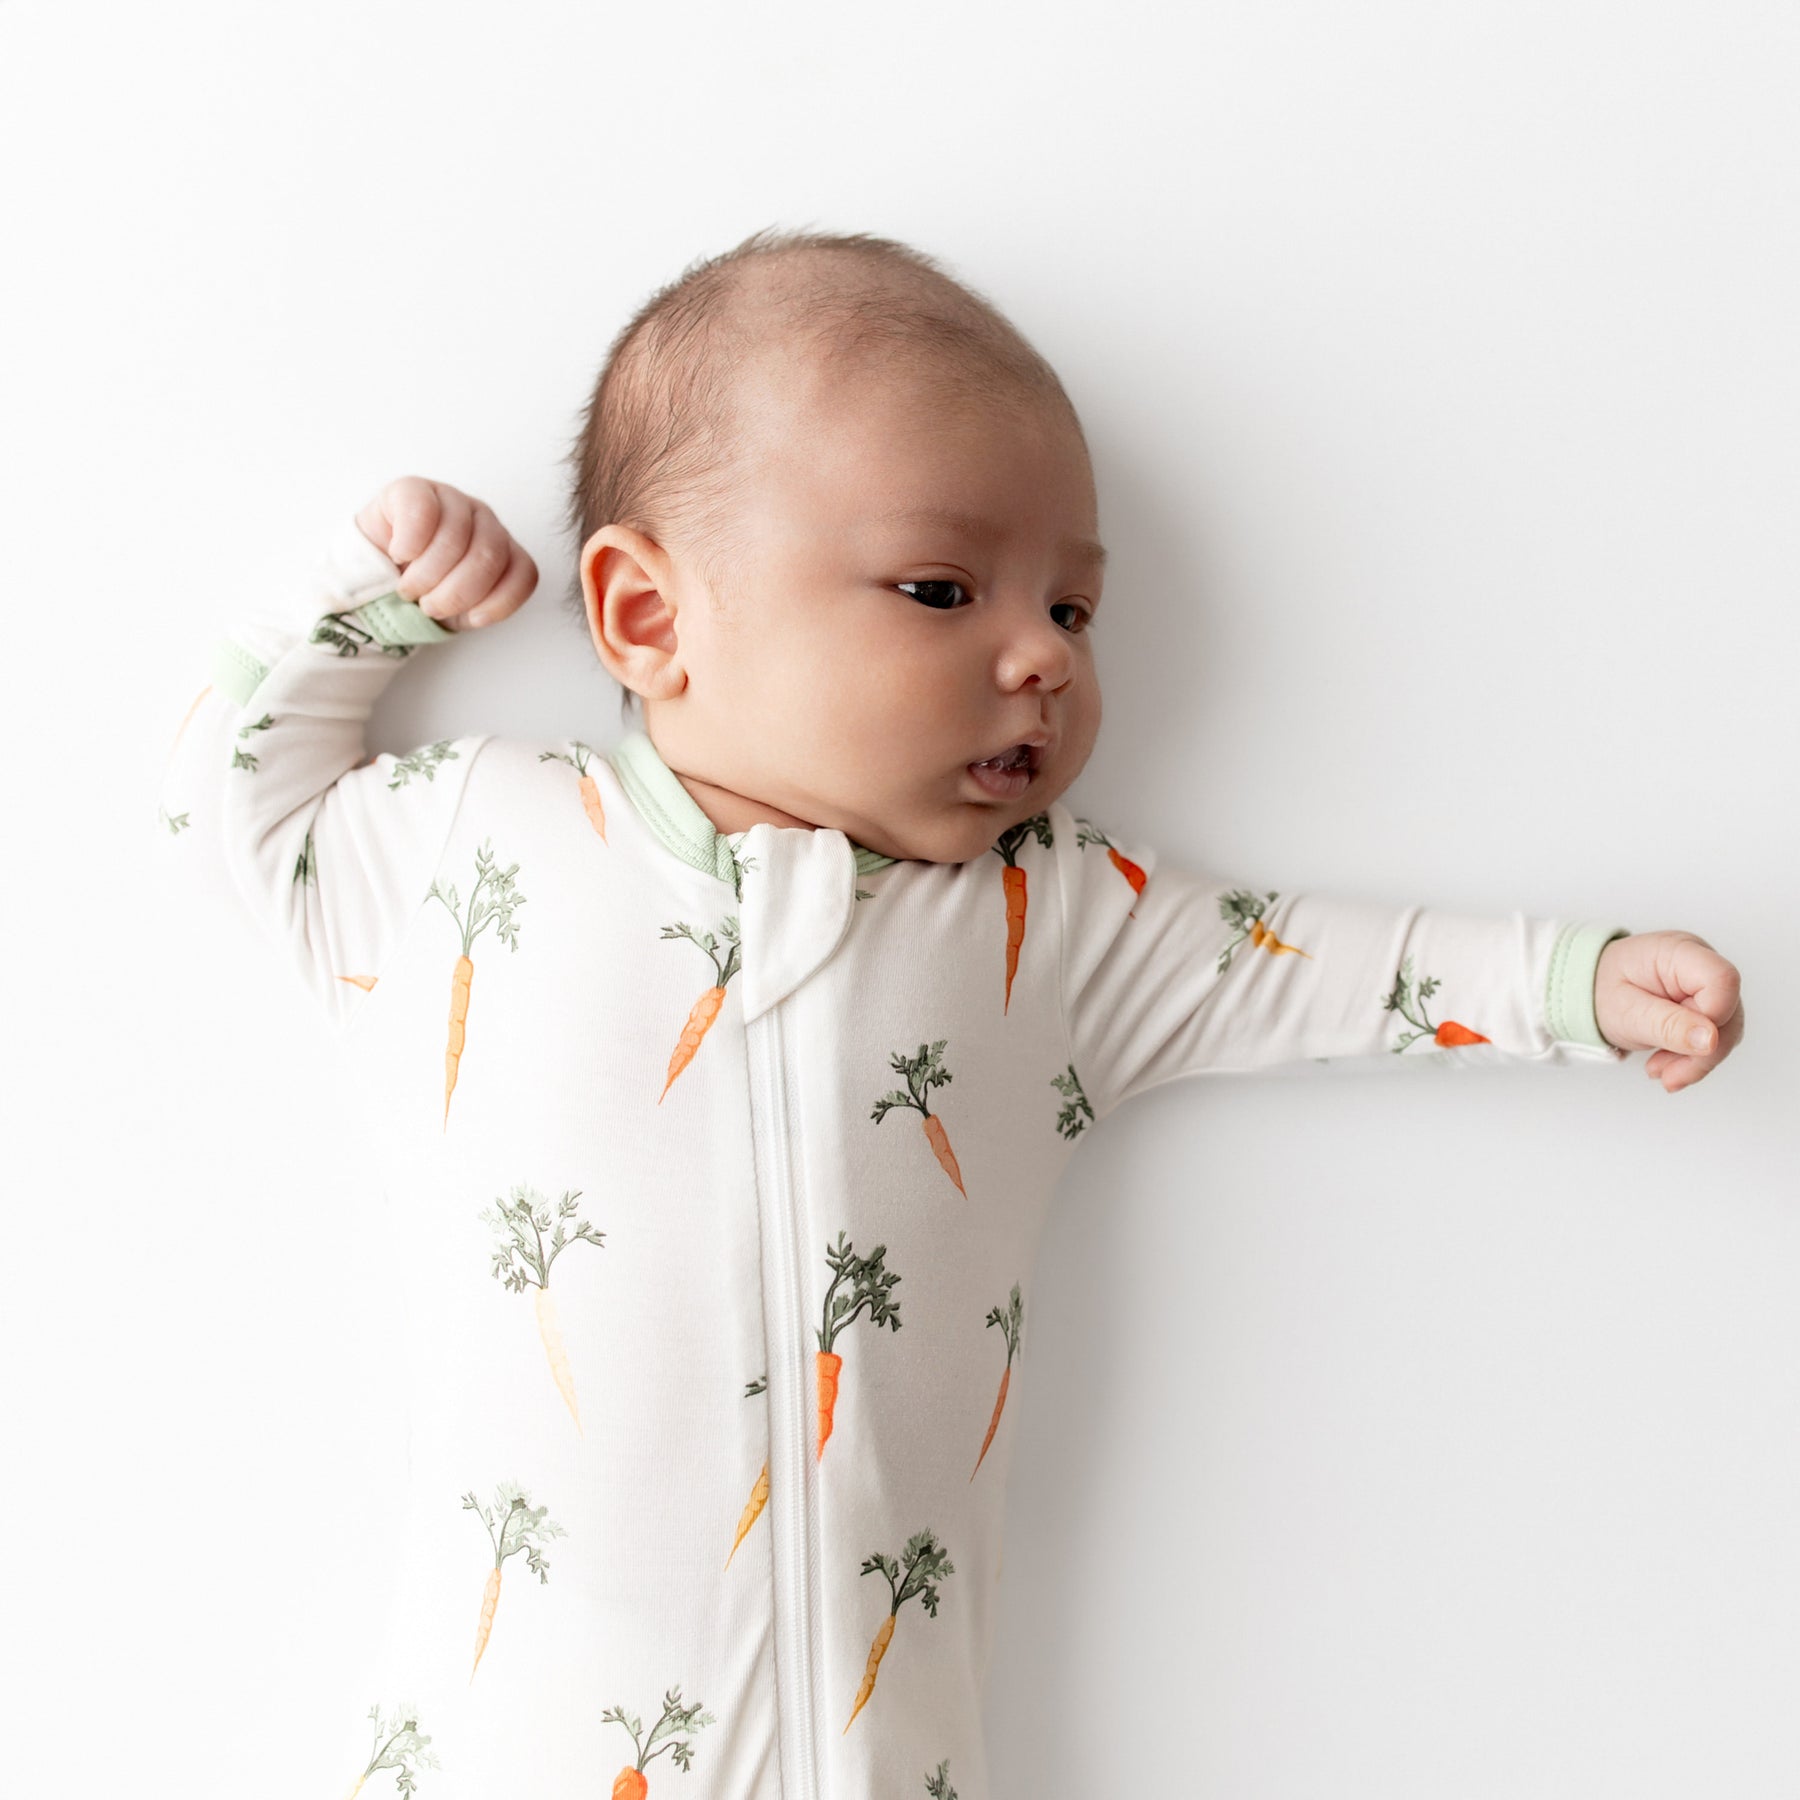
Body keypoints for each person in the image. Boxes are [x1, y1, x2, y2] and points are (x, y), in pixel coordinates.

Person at [154, 227, 1744, 1800]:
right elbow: (244, 807)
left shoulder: (1043, 927)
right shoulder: (478, 849)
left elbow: (1315, 963)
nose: (1040, 658)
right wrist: (370, 595)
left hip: (886, 1755)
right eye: (942, 587)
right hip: (511, 1750)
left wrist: (1573, 985)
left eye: (1076, 609)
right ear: (649, 622)